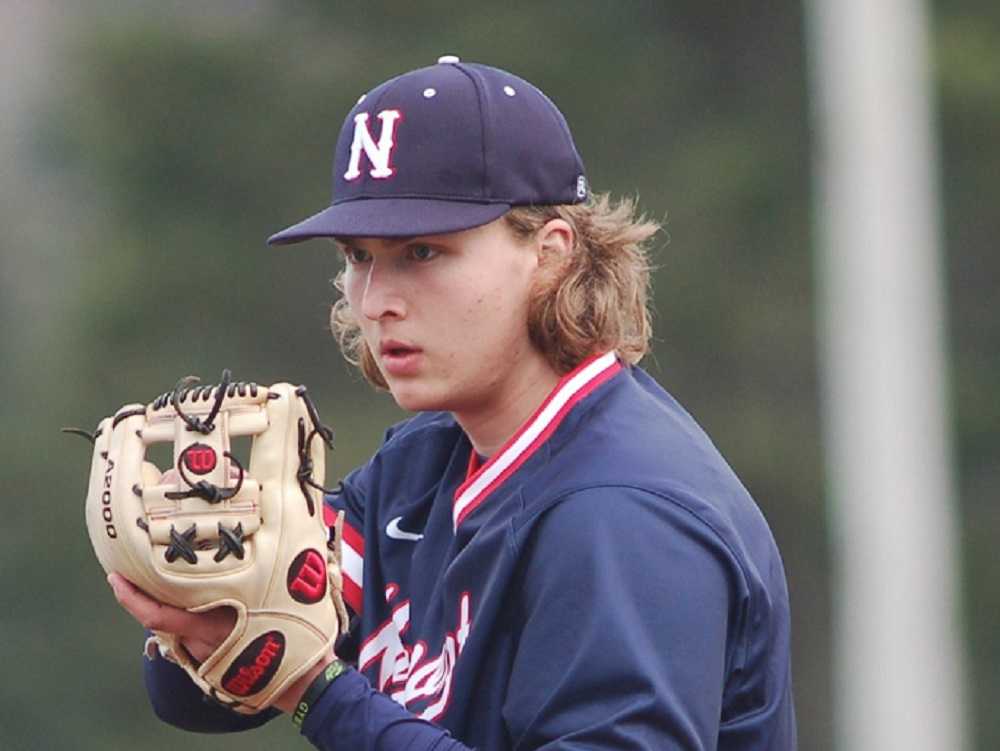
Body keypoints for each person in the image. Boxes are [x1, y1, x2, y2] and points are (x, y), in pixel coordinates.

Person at [108, 56, 797, 749]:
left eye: (423, 252)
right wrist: (195, 615)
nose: (376, 300)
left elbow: (305, 681)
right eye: (358, 255)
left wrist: (316, 693)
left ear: (551, 254)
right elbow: (202, 697)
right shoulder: (424, 465)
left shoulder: (623, 513)